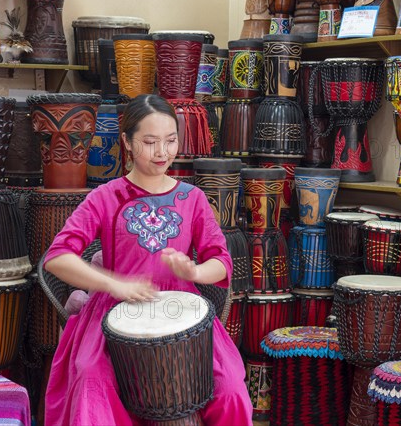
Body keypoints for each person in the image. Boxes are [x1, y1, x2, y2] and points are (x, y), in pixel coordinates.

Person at [43, 94, 253, 425]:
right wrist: (114, 284)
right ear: (127, 141)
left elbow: (221, 263)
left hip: (182, 316)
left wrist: (195, 270)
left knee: (230, 391)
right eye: (150, 142)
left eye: (170, 141)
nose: (162, 152)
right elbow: (57, 258)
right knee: (90, 382)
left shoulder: (192, 198)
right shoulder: (106, 197)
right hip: (114, 312)